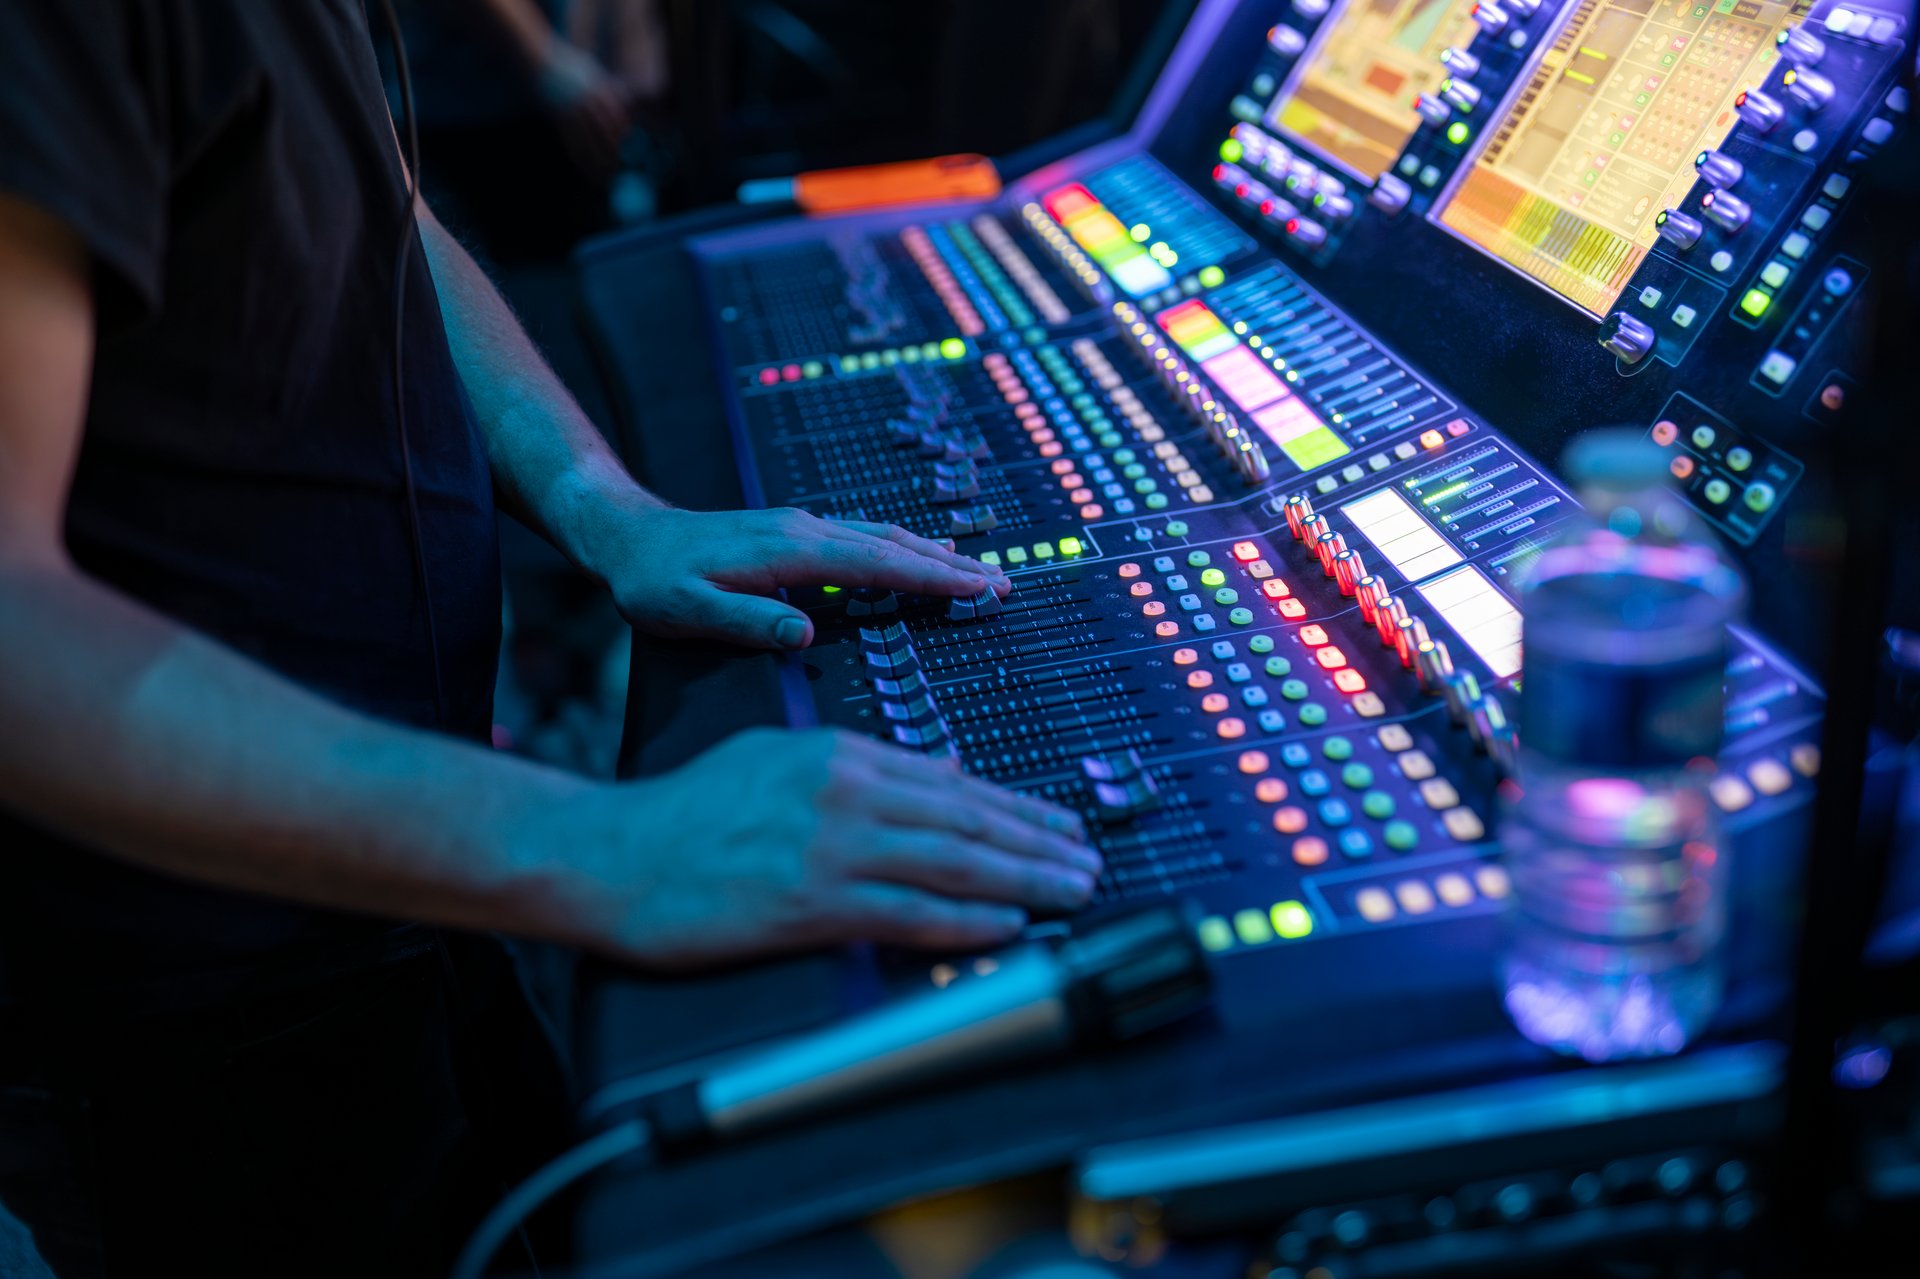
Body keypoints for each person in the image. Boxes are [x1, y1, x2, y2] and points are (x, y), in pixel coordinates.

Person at [0, 3, 1099, 1275]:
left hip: (413, 870)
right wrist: (597, 842)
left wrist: (603, 504)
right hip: (198, 990)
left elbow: (376, 204)